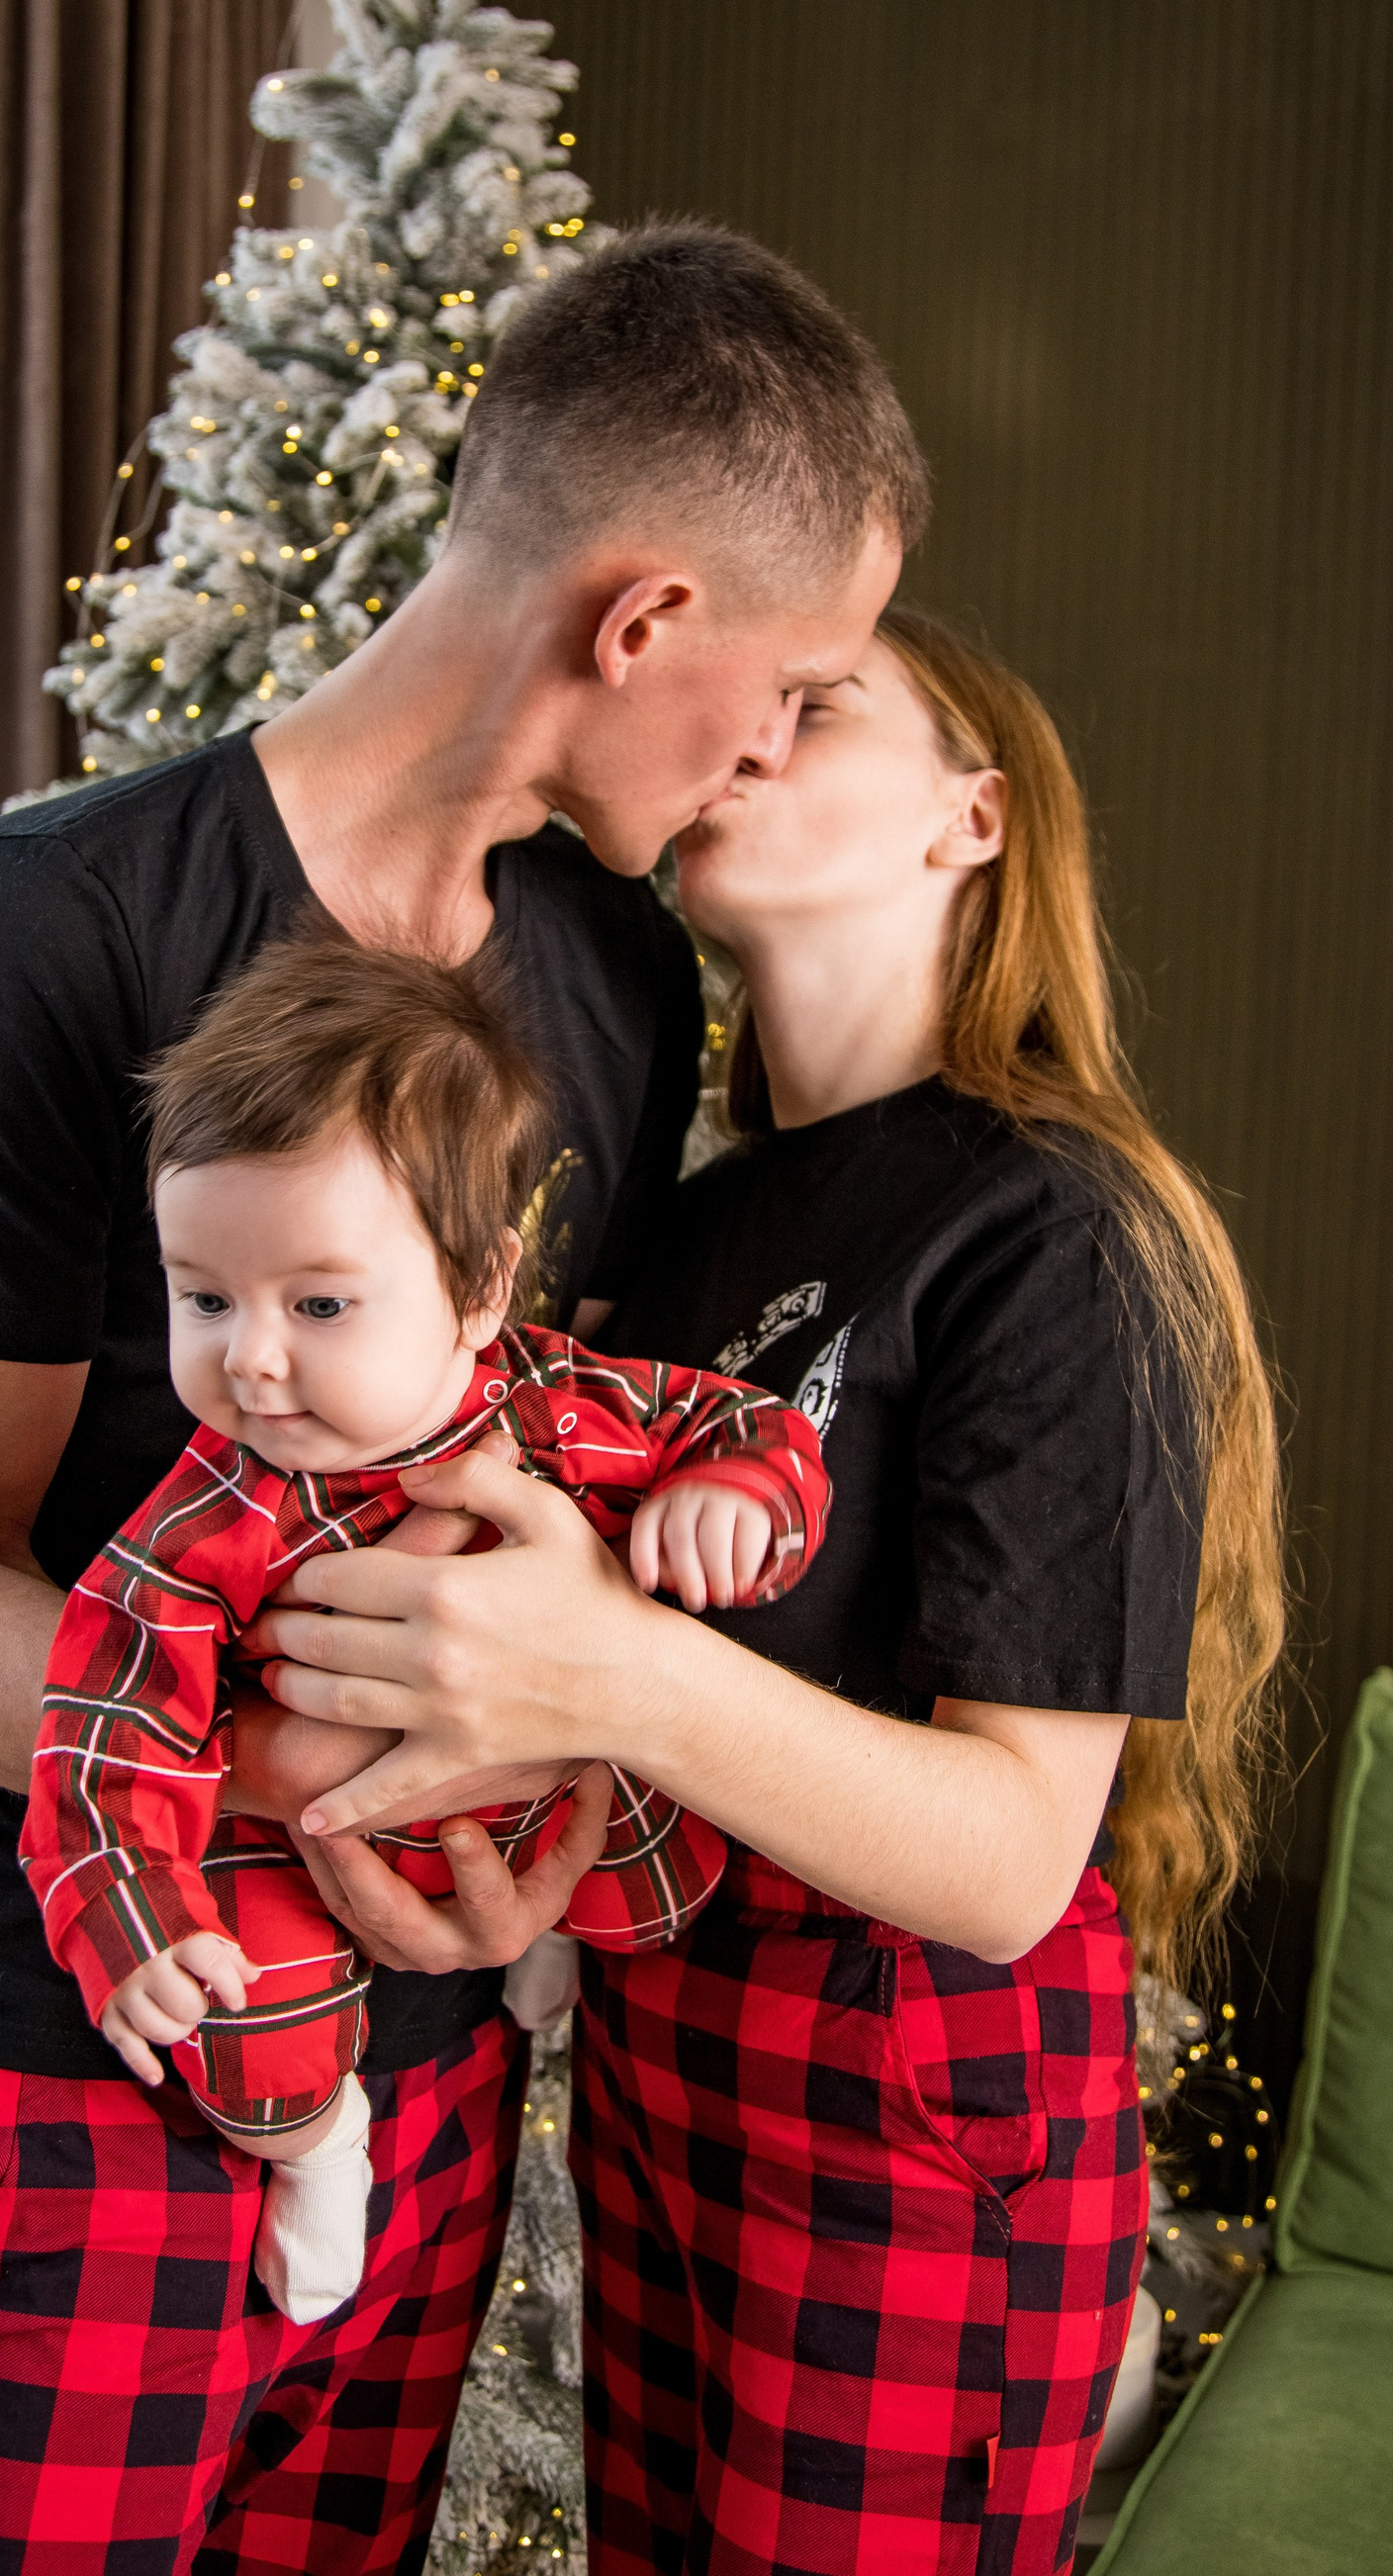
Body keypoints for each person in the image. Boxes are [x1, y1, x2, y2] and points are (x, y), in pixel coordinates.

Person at [0, 220, 920, 2574]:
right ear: (645, 622)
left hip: (427, 2066)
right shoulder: (36, 941)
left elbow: (519, 1477)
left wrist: (526, 1826)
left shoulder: (619, 981)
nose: (774, 750)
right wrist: (310, 1780)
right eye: (793, 683)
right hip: (89, 2036)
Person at [253, 611, 1286, 2576]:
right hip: (672, 2055)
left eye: (820, 708)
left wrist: (612, 1673)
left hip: (921, 2097)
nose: (748, 734)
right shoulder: (687, 1225)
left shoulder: (1056, 1227)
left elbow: (1008, 1861)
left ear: (971, 820)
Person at [20, 937, 827, 2327]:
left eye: (320, 1303)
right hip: (313, 1844)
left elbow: (743, 1422)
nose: (250, 1356)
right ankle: (316, 2142)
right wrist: (131, 1914)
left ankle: (557, 1929)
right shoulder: (212, 1511)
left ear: (479, 1288)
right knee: (243, 2022)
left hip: (570, 1795)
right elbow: (103, 1722)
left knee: (659, 1878)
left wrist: (736, 1496)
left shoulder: (559, 1404)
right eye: (204, 1297)